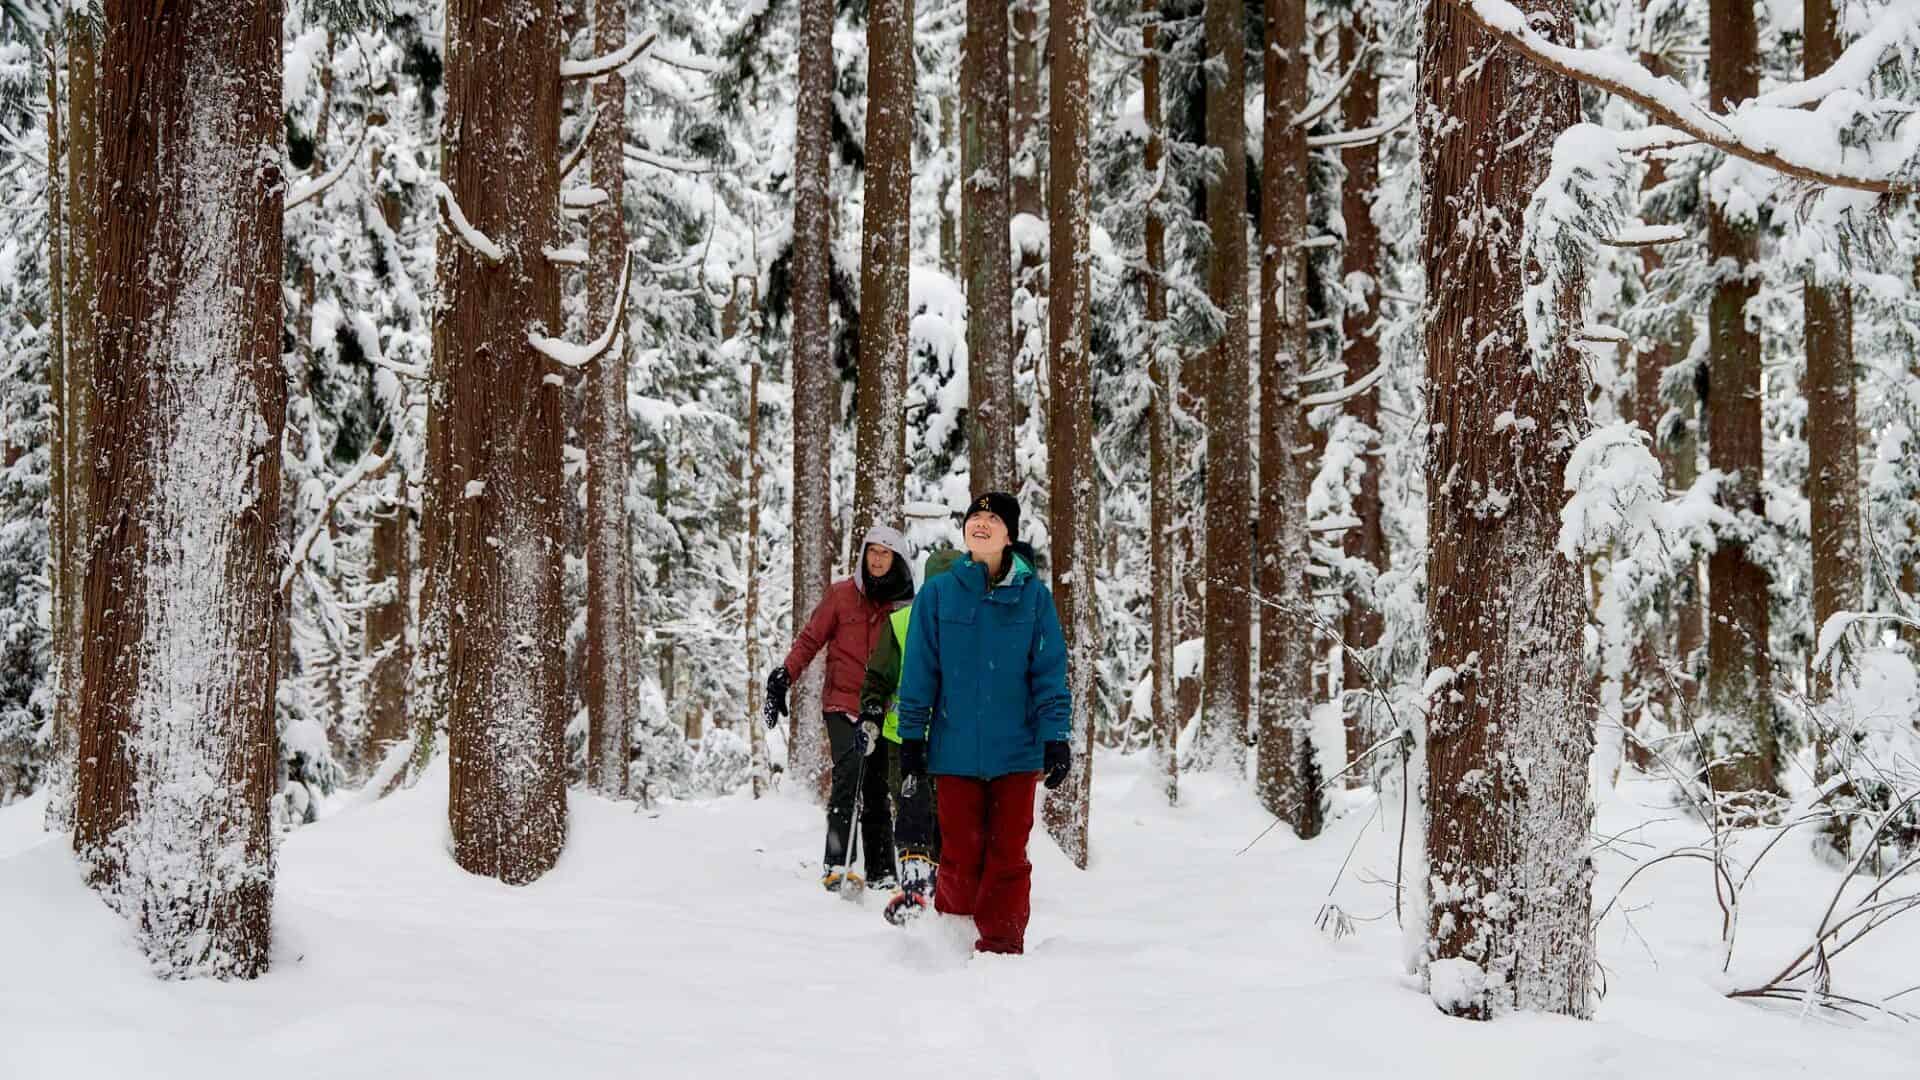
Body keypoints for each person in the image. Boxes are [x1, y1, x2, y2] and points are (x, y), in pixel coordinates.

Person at [895, 493, 1073, 954]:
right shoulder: (938, 593)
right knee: (960, 850)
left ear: (1008, 535)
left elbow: (1049, 671)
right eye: (976, 516)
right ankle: (954, 937)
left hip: (1017, 749)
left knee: (1008, 854)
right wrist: (912, 738)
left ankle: (1001, 947)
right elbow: (919, 671)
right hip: (954, 750)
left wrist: (1056, 737)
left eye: (993, 519)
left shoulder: (1033, 598)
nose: (981, 523)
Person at [765, 525, 915, 891]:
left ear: (896, 559)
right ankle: (837, 863)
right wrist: (784, 675)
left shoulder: (906, 605)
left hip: (882, 708)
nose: (877, 559)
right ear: (863, 555)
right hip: (842, 703)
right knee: (849, 775)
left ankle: (881, 871)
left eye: (885, 553)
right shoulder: (841, 595)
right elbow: (811, 638)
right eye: (872, 552)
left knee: (878, 787)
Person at [857, 547, 965, 923]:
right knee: (912, 809)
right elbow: (879, 675)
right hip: (903, 737)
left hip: (953, 741)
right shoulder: (902, 622)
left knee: (948, 816)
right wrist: (871, 710)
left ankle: (944, 892)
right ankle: (917, 887)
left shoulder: (973, 627)